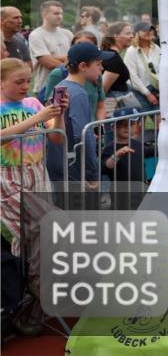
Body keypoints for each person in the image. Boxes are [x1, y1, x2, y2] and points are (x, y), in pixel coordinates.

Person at [0, 58, 64, 335]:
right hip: (9, 179)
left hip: (38, 174)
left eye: (28, 80)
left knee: (36, 241)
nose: (25, 86)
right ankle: (40, 296)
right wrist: (36, 119)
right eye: (19, 82)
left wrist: (58, 114)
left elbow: (56, 137)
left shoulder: (34, 103)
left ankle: (32, 311)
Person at [47, 42, 111, 201]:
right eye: (98, 64)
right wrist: (92, 172)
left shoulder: (60, 87)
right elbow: (82, 136)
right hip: (74, 166)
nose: (101, 68)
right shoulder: (79, 94)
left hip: (57, 163)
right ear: (83, 66)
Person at [41, 31, 107, 121]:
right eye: (79, 45)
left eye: (88, 46)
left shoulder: (96, 76)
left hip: (91, 127)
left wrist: (99, 127)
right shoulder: (59, 75)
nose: (83, 50)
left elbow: (100, 106)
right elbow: (51, 109)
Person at [101, 107, 154, 209]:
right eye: (121, 124)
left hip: (141, 192)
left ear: (137, 125)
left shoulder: (138, 144)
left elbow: (152, 150)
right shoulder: (109, 148)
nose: (126, 127)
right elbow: (105, 166)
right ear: (113, 127)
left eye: (131, 123)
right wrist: (116, 156)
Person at [28, 0, 73, 95]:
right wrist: (70, 64)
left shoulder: (68, 34)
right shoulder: (36, 35)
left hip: (67, 86)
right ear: (44, 15)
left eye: (61, 13)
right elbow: (47, 62)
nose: (60, 16)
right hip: (45, 87)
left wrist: (52, 57)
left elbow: (75, 56)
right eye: (56, 13)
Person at [100, 22, 140, 110]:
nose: (132, 36)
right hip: (114, 107)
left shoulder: (112, 55)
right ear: (116, 36)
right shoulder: (113, 58)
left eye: (132, 33)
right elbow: (103, 89)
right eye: (128, 33)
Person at [123, 21, 160, 112]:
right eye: (145, 30)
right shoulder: (131, 51)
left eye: (151, 30)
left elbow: (160, 71)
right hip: (137, 91)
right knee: (140, 119)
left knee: (159, 117)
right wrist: (147, 94)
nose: (149, 32)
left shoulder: (156, 48)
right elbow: (132, 76)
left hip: (155, 89)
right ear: (137, 33)